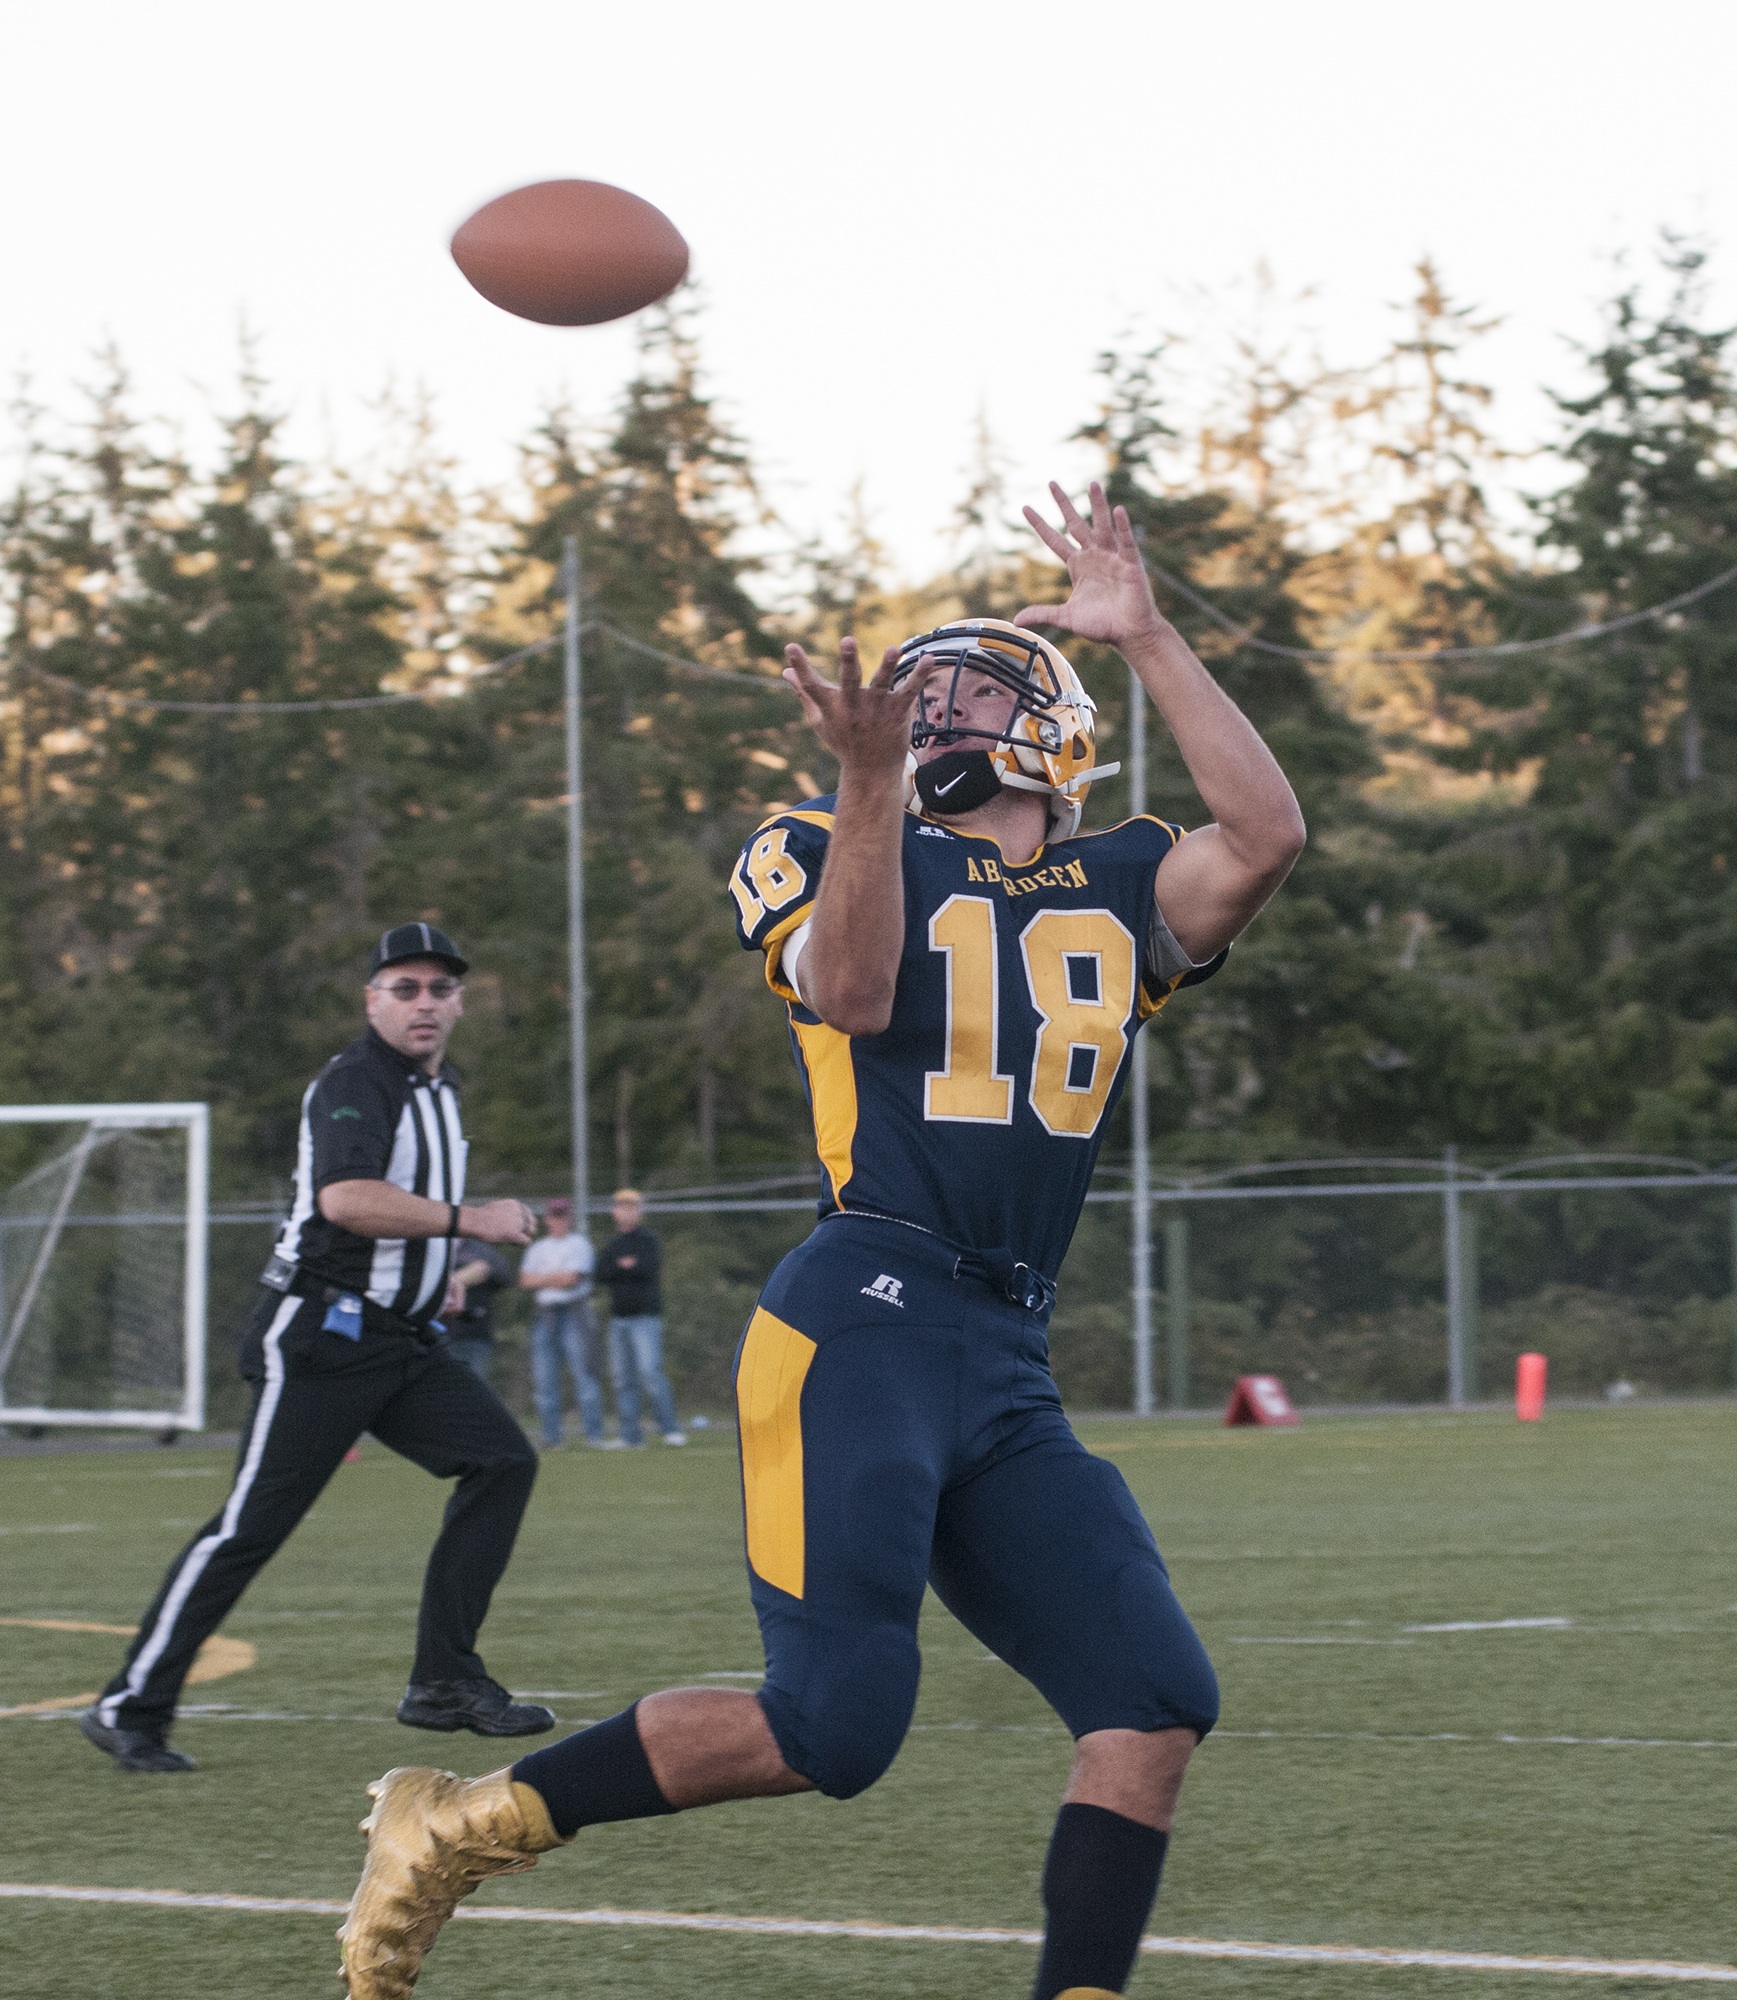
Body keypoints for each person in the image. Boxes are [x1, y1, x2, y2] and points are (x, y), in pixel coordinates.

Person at [336, 485, 1306, 2000]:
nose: (931, 714)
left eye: (970, 688)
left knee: (1152, 1704)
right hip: (862, 1310)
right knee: (833, 1728)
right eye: (917, 699)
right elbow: (852, 993)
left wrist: (1155, 635)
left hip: (1001, 1346)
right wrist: (864, 788)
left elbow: (1269, 831)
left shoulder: (1122, 880)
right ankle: (458, 1830)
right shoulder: (817, 836)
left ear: (1051, 720)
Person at [83, 924, 558, 1776]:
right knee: (248, 1529)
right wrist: (473, 1223)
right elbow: (346, 1200)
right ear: (371, 998)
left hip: (399, 1339)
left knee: (501, 1461)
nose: (424, 1003)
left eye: (439, 989)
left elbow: (398, 1210)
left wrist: (434, 1272)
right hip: (321, 1338)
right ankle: (130, 1705)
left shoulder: (440, 1086)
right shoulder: (355, 1081)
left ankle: (444, 1682)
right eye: (404, 988)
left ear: (459, 1002)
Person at [596, 1187, 683, 1447]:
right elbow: (601, 1273)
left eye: (631, 1207)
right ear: (614, 1212)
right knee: (623, 1379)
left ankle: (670, 1429)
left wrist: (625, 1268)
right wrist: (624, 1267)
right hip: (618, 1319)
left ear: (639, 1211)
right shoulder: (612, 1244)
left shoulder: (648, 1240)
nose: (626, 1212)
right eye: (621, 1207)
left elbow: (647, 1268)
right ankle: (630, 1435)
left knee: (651, 1373)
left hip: (645, 1317)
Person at [518, 1198, 605, 1448]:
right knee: (545, 1380)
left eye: (563, 1216)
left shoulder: (579, 1244)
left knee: (584, 1376)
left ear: (569, 1218)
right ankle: (551, 1437)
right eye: (554, 1216)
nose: (558, 1221)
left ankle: (594, 1436)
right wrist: (557, 1277)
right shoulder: (538, 1248)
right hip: (544, 1315)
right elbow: (524, 1281)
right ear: (547, 1219)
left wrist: (542, 1278)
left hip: (573, 1314)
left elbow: (572, 1279)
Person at [444, 1238, 511, 1382]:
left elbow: (506, 1276)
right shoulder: (436, 1244)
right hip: (438, 1335)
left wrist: (486, 1270)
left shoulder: (480, 1248)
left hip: (475, 1334)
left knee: (474, 1386)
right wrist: (458, 1279)